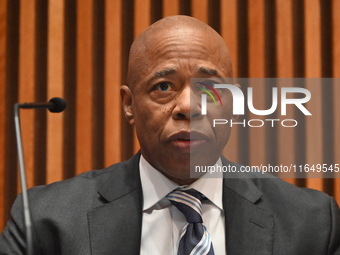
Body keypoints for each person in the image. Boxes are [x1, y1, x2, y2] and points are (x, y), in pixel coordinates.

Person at [0, 15, 339, 255]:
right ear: (129, 104)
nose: (189, 107)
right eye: (164, 87)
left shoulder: (311, 223)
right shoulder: (45, 222)